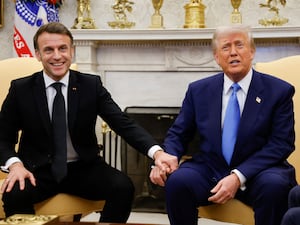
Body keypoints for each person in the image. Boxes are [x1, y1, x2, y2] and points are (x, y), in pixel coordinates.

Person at [0, 22, 178, 223]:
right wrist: (15, 165)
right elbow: (3, 138)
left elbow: (122, 123)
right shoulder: (21, 89)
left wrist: (157, 152)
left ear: (72, 52)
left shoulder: (91, 85)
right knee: (14, 193)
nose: (57, 56)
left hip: (83, 168)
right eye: (48, 50)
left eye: (63, 48)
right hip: (36, 170)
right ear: (38, 55)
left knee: (123, 187)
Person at [150, 24, 297, 225]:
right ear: (217, 56)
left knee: (274, 186)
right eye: (226, 47)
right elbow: (179, 133)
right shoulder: (198, 90)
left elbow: (281, 143)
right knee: (178, 182)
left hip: (259, 170)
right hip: (211, 167)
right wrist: (167, 158)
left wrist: (238, 176)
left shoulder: (278, 91)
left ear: (252, 51)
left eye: (240, 45)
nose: (233, 52)